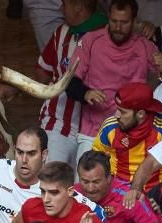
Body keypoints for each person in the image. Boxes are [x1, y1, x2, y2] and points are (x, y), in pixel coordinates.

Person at [68, 0, 162, 159]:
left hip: (133, 135)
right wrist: (85, 94)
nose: (118, 28)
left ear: (135, 22)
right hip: (93, 131)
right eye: (114, 21)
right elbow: (70, 83)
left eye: (124, 22)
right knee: (86, 183)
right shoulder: (91, 40)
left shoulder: (145, 46)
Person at [36, 0, 108, 164]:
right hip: (58, 124)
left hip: (96, 128)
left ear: (79, 7)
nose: (61, 8)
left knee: (85, 186)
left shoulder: (108, 35)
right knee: (50, 178)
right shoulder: (61, 32)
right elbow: (42, 71)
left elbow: (42, 74)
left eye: (65, 4)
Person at [92, 82, 162, 189]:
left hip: (154, 197)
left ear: (141, 114)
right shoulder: (109, 126)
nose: (116, 116)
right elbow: (96, 160)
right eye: (117, 109)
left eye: (122, 112)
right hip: (115, 193)